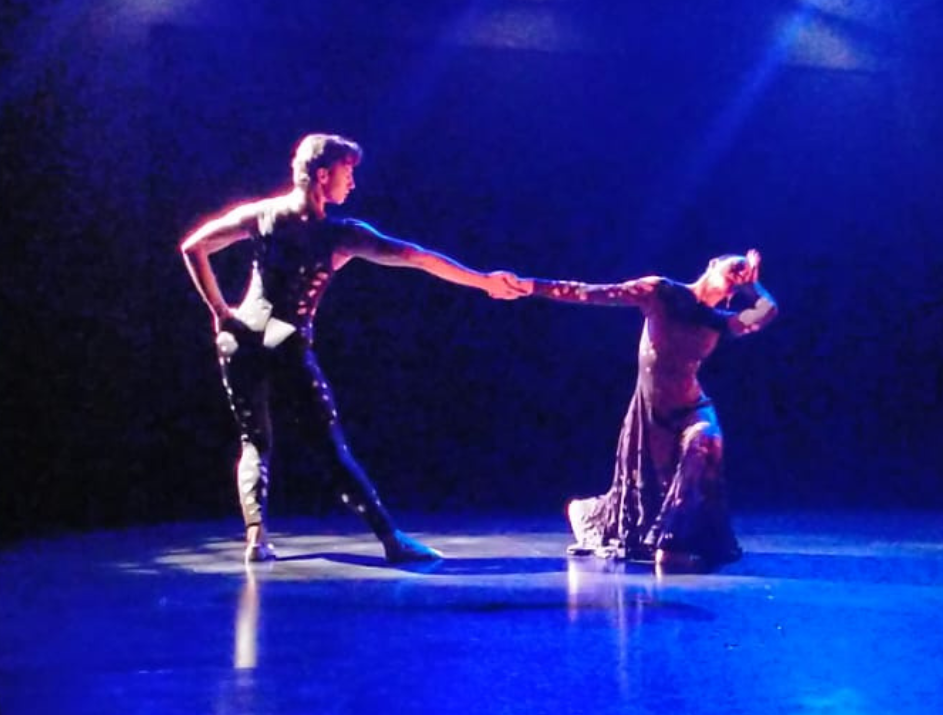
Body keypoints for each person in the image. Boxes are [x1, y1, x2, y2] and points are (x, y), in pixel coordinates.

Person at [179, 133, 525, 563]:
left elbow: (194, 246)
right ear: (323, 175)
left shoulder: (261, 215)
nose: (353, 183)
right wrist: (483, 282)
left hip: (241, 339)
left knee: (255, 441)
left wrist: (221, 311)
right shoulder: (338, 235)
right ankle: (392, 541)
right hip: (285, 342)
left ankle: (256, 539)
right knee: (330, 448)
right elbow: (413, 256)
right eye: (349, 172)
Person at [518, 250, 777, 571]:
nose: (739, 273)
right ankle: (587, 513)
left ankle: (672, 545)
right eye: (734, 266)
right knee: (643, 498)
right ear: (711, 264)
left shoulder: (720, 322)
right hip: (651, 414)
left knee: (706, 440)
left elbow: (767, 311)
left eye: (743, 273)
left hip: (693, 408)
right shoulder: (661, 292)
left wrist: (754, 287)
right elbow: (589, 292)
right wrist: (529, 285)